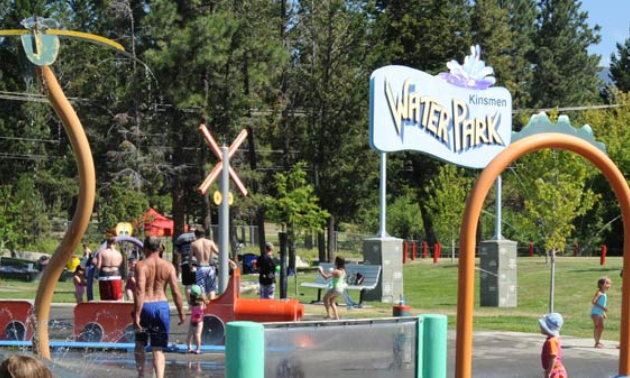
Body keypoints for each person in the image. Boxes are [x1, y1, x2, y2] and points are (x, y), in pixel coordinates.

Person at [133, 236, 185, 378]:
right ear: (160, 248)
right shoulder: (168, 266)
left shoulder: (141, 265)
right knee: (158, 349)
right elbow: (175, 291)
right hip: (162, 307)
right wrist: (181, 312)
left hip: (145, 306)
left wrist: (137, 314)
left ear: (145, 248)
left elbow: (139, 290)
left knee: (140, 343)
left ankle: (141, 374)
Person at [191, 226, 219, 298]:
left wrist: (190, 266)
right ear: (204, 234)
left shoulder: (194, 244)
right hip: (210, 268)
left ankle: (203, 307)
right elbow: (219, 253)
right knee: (212, 289)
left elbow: (190, 257)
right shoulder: (210, 242)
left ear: (195, 235)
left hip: (200, 268)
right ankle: (212, 306)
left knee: (201, 290)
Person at [318, 256, 347, 320]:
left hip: (335, 288)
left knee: (325, 298)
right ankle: (336, 317)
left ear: (337, 262)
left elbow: (326, 277)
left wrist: (321, 271)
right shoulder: (343, 271)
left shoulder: (336, 271)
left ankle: (328, 315)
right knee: (331, 301)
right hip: (341, 289)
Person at [539, 313, 568, 378]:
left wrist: (549, 372)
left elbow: (553, 358)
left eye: (542, 325)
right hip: (554, 369)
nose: (540, 326)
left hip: (556, 372)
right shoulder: (551, 339)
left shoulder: (552, 341)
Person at [174, 224, 197, 303]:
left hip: (185, 262)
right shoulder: (198, 237)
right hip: (197, 262)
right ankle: (197, 302)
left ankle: (190, 303)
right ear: (195, 228)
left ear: (188, 228)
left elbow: (175, 251)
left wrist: (182, 253)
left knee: (188, 285)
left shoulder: (181, 237)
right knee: (198, 284)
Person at [186, 284, 208, 354]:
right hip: (199, 321)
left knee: (189, 335)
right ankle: (198, 349)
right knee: (197, 335)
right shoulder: (201, 303)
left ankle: (189, 348)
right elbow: (204, 307)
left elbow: (189, 309)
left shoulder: (191, 303)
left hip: (192, 320)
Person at [591, 276, 611, 348]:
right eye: (607, 284)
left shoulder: (604, 293)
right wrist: (603, 308)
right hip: (595, 312)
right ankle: (596, 343)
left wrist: (603, 313)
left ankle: (598, 341)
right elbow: (593, 302)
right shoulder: (599, 292)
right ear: (602, 285)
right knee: (597, 326)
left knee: (601, 327)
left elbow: (602, 303)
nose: (609, 286)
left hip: (600, 313)